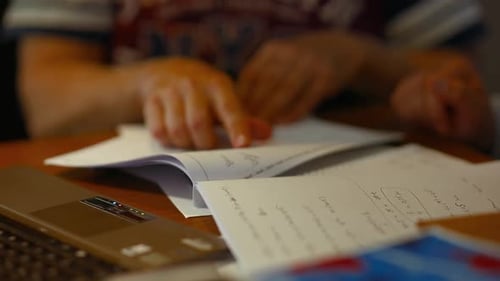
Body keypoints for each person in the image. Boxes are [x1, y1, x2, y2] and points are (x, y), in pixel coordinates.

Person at [3, 0, 494, 152]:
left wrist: (362, 58)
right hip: (138, 197)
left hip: (361, 198)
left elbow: (457, 86)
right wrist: (147, 82)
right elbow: (47, 100)